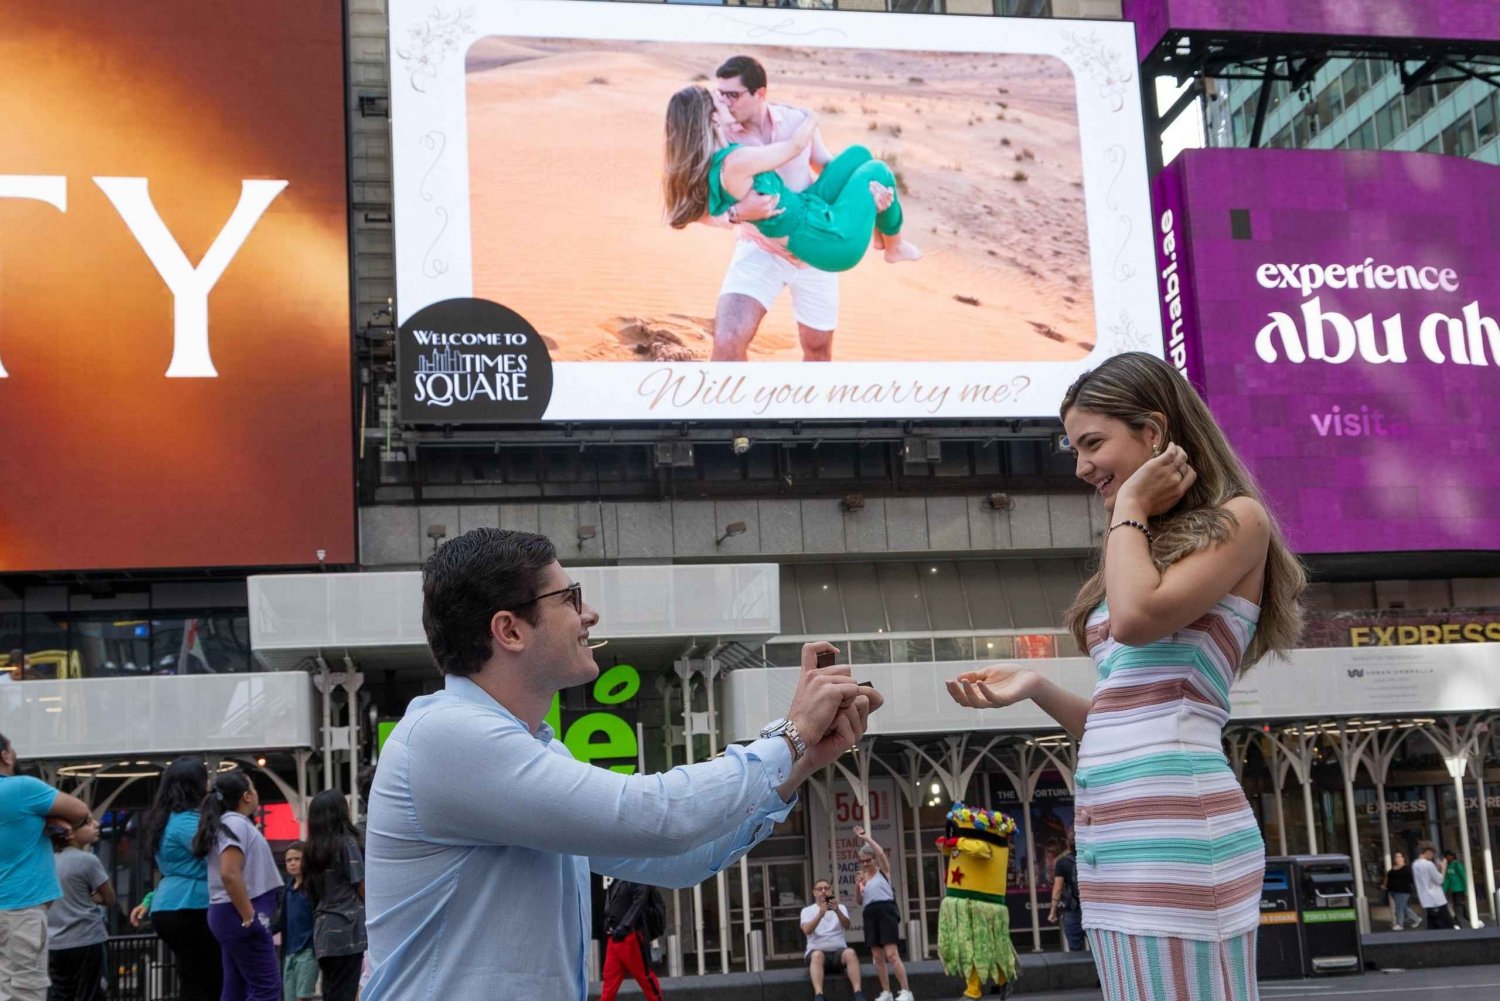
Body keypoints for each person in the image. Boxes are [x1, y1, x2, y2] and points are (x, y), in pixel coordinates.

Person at [362, 528, 881, 1001]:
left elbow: (678, 860)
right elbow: (661, 816)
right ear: (510, 630)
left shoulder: (535, 749)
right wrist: (790, 735)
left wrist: (801, 761)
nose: (590, 615)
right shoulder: (444, 735)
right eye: (570, 598)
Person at [945, 351, 1308, 1001]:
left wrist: (1131, 506)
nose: (1081, 466)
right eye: (1073, 447)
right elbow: (1125, 713)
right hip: (1114, 844)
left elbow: (1138, 618)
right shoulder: (1136, 545)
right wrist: (1037, 686)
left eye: (1092, 443)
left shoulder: (1239, 520)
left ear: (1153, 431)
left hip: (1178, 834)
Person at [664, 86, 919, 277]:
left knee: (858, 156)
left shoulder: (716, 160)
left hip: (810, 208)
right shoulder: (736, 161)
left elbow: (682, 214)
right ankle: (893, 247)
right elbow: (795, 146)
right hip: (827, 241)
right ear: (713, 118)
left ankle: (880, 235)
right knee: (879, 170)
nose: (724, 99)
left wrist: (735, 213)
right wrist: (810, 117)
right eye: (718, 100)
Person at [702, 55, 839, 362]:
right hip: (759, 248)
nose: (724, 103)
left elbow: (827, 168)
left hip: (814, 250)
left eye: (733, 95)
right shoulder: (719, 136)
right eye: (720, 94)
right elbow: (695, 209)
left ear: (760, 93)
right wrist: (737, 214)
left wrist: (863, 192)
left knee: (818, 350)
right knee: (727, 342)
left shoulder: (795, 121)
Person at [1, 732, 92, 1001]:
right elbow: (80, 811)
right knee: (26, 991)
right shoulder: (22, 788)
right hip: (21, 908)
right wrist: (50, 821)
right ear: (5, 755)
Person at [130, 756, 223, 1000]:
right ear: (195, 784)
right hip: (193, 905)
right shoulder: (187, 822)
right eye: (205, 777)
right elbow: (218, 859)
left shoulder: (166, 819)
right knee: (209, 979)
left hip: (170, 905)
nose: (210, 783)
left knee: (193, 977)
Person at [193, 770, 282, 1001]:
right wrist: (249, 916)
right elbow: (229, 873)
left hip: (228, 912)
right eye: (252, 788)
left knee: (236, 986)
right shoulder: (235, 823)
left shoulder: (226, 824)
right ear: (246, 796)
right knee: (266, 988)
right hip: (241, 911)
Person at [302, 791, 366, 1001]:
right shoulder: (347, 843)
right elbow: (361, 885)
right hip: (347, 929)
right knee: (346, 993)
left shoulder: (311, 850)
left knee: (332, 993)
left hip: (323, 932)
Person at [45, 817, 113, 1001]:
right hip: (86, 938)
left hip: (54, 942)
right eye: (87, 823)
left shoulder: (46, 861)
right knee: (90, 994)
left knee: (61, 995)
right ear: (70, 833)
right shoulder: (87, 860)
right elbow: (109, 898)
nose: (96, 825)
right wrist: (97, 896)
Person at [853, 825, 912, 1001]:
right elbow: (859, 901)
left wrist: (866, 838)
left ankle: (906, 991)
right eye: (862, 861)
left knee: (892, 955)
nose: (865, 863)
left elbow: (880, 852)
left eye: (868, 860)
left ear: (874, 860)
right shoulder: (863, 878)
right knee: (877, 957)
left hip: (886, 911)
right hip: (870, 913)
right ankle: (886, 992)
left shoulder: (883, 871)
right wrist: (857, 886)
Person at [800, 879, 864, 1001]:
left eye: (826, 888)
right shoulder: (807, 911)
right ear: (814, 893)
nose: (823, 891)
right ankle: (819, 995)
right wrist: (819, 915)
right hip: (817, 954)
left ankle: (858, 993)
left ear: (830, 890)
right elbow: (806, 930)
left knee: (851, 953)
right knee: (817, 955)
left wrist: (837, 911)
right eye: (820, 889)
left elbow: (847, 925)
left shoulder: (841, 907)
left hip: (838, 953)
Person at [599, 879, 663, 1001]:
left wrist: (625, 926)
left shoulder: (637, 877)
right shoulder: (618, 879)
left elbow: (639, 903)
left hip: (630, 936)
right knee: (609, 980)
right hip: (615, 936)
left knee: (645, 977)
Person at [272, 842, 316, 1001]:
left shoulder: (313, 888)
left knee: (303, 997)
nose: (292, 863)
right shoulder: (287, 891)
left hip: (308, 950)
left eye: (297, 859)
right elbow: (279, 921)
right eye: (289, 860)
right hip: (289, 952)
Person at [1047, 834, 1084, 952]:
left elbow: (1058, 888)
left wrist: (1053, 912)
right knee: (1098, 951)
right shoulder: (1088, 859)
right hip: (1092, 909)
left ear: (1068, 844)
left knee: (1075, 950)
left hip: (1073, 910)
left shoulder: (1062, 862)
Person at [1412, 843, 1453, 929]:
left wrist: (1437, 868)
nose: (1433, 855)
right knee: (1446, 925)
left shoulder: (1415, 864)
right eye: (1432, 853)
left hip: (1425, 899)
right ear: (1428, 852)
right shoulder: (1428, 864)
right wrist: (1443, 868)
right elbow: (1440, 880)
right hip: (1437, 899)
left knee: (1432, 926)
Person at [1382, 852, 1422, 930]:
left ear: (1403, 858)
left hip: (1403, 891)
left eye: (1399, 857)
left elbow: (1411, 879)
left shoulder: (1407, 868)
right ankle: (1417, 919)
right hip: (1393, 891)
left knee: (1399, 907)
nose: (1397, 858)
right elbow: (1388, 878)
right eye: (1396, 857)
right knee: (1404, 907)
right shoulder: (1393, 868)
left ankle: (1400, 924)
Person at [1441, 850, 1469, 925]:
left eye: (1448, 856)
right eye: (1446, 856)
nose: (1447, 858)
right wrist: (1444, 889)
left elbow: (1463, 877)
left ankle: (1458, 920)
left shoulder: (1457, 865)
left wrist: (1466, 889)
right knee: (1457, 904)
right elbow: (1447, 879)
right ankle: (1464, 916)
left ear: (1452, 856)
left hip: (1460, 888)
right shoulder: (1448, 866)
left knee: (1458, 904)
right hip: (1453, 889)